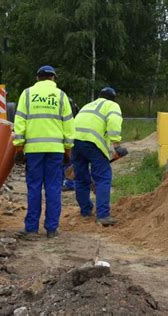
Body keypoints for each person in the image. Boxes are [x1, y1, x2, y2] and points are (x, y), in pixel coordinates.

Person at [13, 65, 75, 238]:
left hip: (33, 150)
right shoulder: (61, 96)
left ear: (37, 78)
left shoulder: (27, 94)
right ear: (53, 78)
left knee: (34, 188)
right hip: (55, 150)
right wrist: (68, 150)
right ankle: (52, 229)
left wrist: (19, 147)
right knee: (54, 188)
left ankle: (31, 229)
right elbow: (69, 125)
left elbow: (20, 122)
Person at [72, 87, 124, 226]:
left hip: (75, 142)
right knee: (103, 178)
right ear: (113, 98)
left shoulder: (88, 105)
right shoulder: (112, 105)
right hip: (93, 143)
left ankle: (85, 210)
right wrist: (117, 145)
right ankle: (103, 215)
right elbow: (113, 122)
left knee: (81, 178)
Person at [62, 97, 80, 191]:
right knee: (69, 161)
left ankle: (69, 183)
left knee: (67, 161)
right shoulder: (71, 103)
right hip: (72, 135)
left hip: (67, 136)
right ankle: (68, 182)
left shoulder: (65, 104)